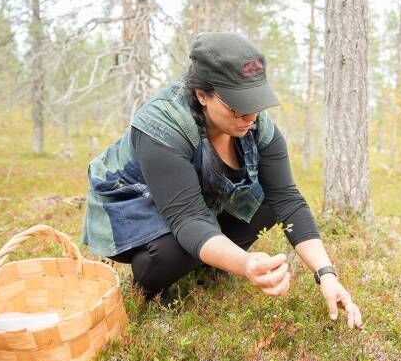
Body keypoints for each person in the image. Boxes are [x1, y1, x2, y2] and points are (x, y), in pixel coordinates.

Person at [81, 32, 364, 330]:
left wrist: (327, 273)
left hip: (195, 201)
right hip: (133, 200)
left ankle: (211, 263)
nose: (251, 117)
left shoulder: (255, 125)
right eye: (238, 106)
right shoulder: (162, 124)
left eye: (256, 102)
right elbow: (187, 217)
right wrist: (245, 264)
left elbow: (287, 199)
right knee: (174, 250)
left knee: (266, 203)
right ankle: (151, 285)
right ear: (202, 95)